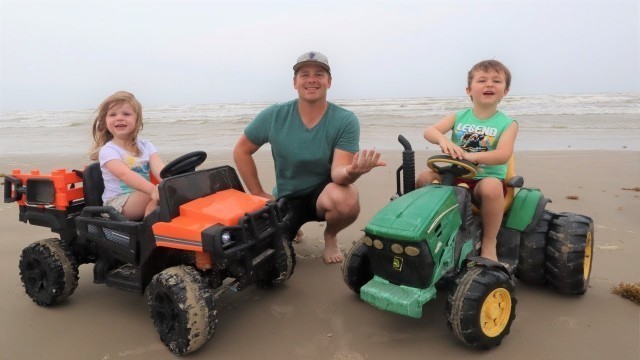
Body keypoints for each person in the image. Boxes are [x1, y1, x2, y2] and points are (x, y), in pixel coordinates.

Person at [233, 51, 386, 264]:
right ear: (294, 82)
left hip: (324, 194)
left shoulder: (345, 120)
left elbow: (338, 172)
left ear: (329, 82)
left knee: (347, 199)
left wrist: (352, 171)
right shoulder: (274, 115)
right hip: (287, 197)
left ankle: (330, 235)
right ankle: (293, 228)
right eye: (304, 74)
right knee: (266, 257)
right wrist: (258, 193)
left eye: (319, 74)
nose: (312, 79)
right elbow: (241, 150)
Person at [416, 60, 518, 262]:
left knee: (491, 187)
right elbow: (430, 131)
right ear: (469, 89)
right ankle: (425, 229)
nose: (489, 84)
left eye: (496, 81)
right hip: (454, 175)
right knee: (424, 178)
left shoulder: (507, 124)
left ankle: (489, 242)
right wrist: (443, 139)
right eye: (482, 80)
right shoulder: (458, 116)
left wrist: (472, 156)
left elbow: (503, 154)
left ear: (505, 91)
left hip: (484, 180)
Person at [90, 91, 165, 220]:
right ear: (105, 122)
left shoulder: (146, 145)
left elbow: (161, 170)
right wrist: (154, 191)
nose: (119, 118)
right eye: (112, 114)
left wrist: (172, 184)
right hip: (117, 204)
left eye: (126, 114)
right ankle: (148, 234)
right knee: (155, 195)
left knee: (168, 193)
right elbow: (125, 174)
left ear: (137, 120)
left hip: (143, 195)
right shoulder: (108, 150)